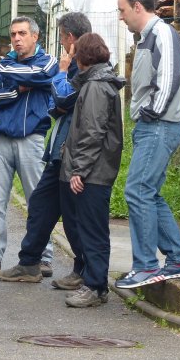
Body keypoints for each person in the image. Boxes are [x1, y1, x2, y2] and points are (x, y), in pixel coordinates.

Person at [0, 12, 91, 285]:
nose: (60, 42)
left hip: (73, 152)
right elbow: (54, 106)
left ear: (70, 38)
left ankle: (83, 270)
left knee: (72, 216)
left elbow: (61, 97)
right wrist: (57, 98)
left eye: (61, 37)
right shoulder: (74, 66)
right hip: (58, 149)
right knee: (40, 205)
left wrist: (61, 71)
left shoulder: (81, 67)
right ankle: (29, 264)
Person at [115, 0, 180, 288]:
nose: (121, 16)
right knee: (148, 192)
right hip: (153, 125)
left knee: (137, 191)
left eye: (122, 10)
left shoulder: (162, 33)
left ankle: (146, 266)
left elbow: (170, 75)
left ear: (137, 7)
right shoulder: (145, 38)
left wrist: (152, 112)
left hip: (160, 125)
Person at [0, 16, 58, 276]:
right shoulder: (6, 63)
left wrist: (4, 66)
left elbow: (41, 76)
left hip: (31, 139)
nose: (16, 38)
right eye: (13, 34)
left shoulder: (47, 61)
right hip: (1, 138)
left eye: (22, 33)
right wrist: (18, 90)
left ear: (35, 36)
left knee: (37, 201)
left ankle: (43, 257)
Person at [60, 33, 124, 307]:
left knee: (93, 230)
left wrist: (79, 170)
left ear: (83, 56)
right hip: (95, 170)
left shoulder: (96, 87)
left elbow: (92, 131)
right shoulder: (97, 83)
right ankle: (95, 284)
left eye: (75, 52)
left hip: (93, 172)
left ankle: (96, 287)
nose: (72, 56)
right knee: (91, 228)